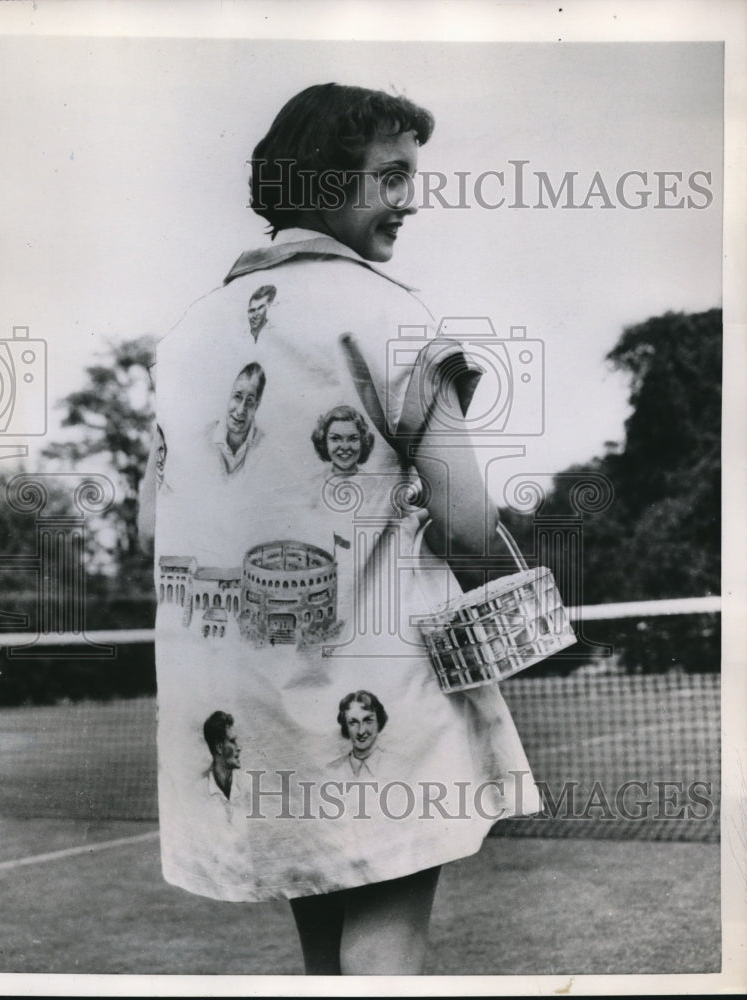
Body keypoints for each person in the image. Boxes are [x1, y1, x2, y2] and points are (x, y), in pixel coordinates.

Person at [143, 82, 540, 975]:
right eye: (392, 177)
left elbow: (148, 529)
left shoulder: (182, 339)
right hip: (382, 687)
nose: (411, 199)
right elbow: (468, 516)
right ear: (325, 182)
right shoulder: (394, 313)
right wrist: (521, 599)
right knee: (383, 955)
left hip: (249, 712)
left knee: (328, 964)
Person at [211, 361, 266, 475]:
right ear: (229, 395)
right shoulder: (205, 438)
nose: (241, 410)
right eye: (238, 396)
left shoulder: (265, 446)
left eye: (249, 401)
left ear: (257, 406)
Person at [312, 404, 375, 478]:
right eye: (335, 438)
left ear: (363, 442)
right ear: (324, 442)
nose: (345, 447)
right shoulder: (313, 485)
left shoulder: (377, 485)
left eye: (353, 439)